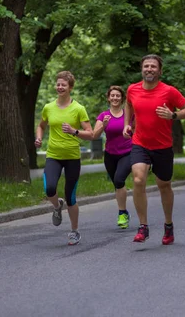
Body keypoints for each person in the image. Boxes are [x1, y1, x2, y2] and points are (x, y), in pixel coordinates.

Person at [123, 54, 185, 245]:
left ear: (160, 71)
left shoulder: (169, 91)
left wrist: (173, 115)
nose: (149, 69)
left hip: (162, 146)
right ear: (142, 69)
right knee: (138, 179)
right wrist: (127, 124)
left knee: (164, 186)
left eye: (153, 66)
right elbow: (128, 105)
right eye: (146, 66)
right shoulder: (132, 89)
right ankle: (143, 226)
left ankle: (168, 225)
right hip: (140, 143)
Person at [35, 71, 92, 245]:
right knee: (49, 189)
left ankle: (74, 231)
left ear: (70, 88)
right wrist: (39, 137)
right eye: (58, 84)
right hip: (53, 155)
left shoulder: (78, 109)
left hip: (72, 157)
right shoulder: (48, 107)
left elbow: (90, 134)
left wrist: (75, 131)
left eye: (63, 85)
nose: (60, 87)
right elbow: (41, 125)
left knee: (71, 197)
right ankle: (57, 206)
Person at [93, 86, 133, 229]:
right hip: (110, 155)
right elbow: (94, 135)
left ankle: (122, 213)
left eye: (118, 96)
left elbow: (138, 130)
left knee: (119, 179)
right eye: (112, 96)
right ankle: (124, 211)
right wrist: (103, 126)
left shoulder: (128, 115)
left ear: (122, 98)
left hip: (127, 152)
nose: (115, 98)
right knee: (117, 184)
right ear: (108, 98)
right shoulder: (103, 116)